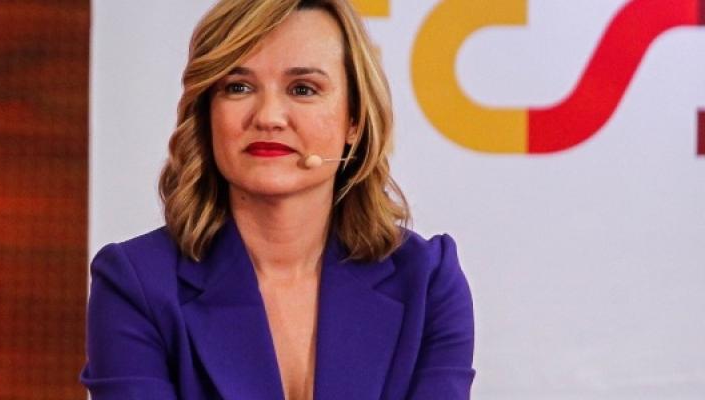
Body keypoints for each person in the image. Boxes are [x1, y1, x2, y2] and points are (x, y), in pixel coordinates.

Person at [80, 0, 475, 399]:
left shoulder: (428, 282)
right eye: (238, 87)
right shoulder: (135, 285)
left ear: (354, 121)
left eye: (303, 89)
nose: (268, 116)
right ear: (207, 113)